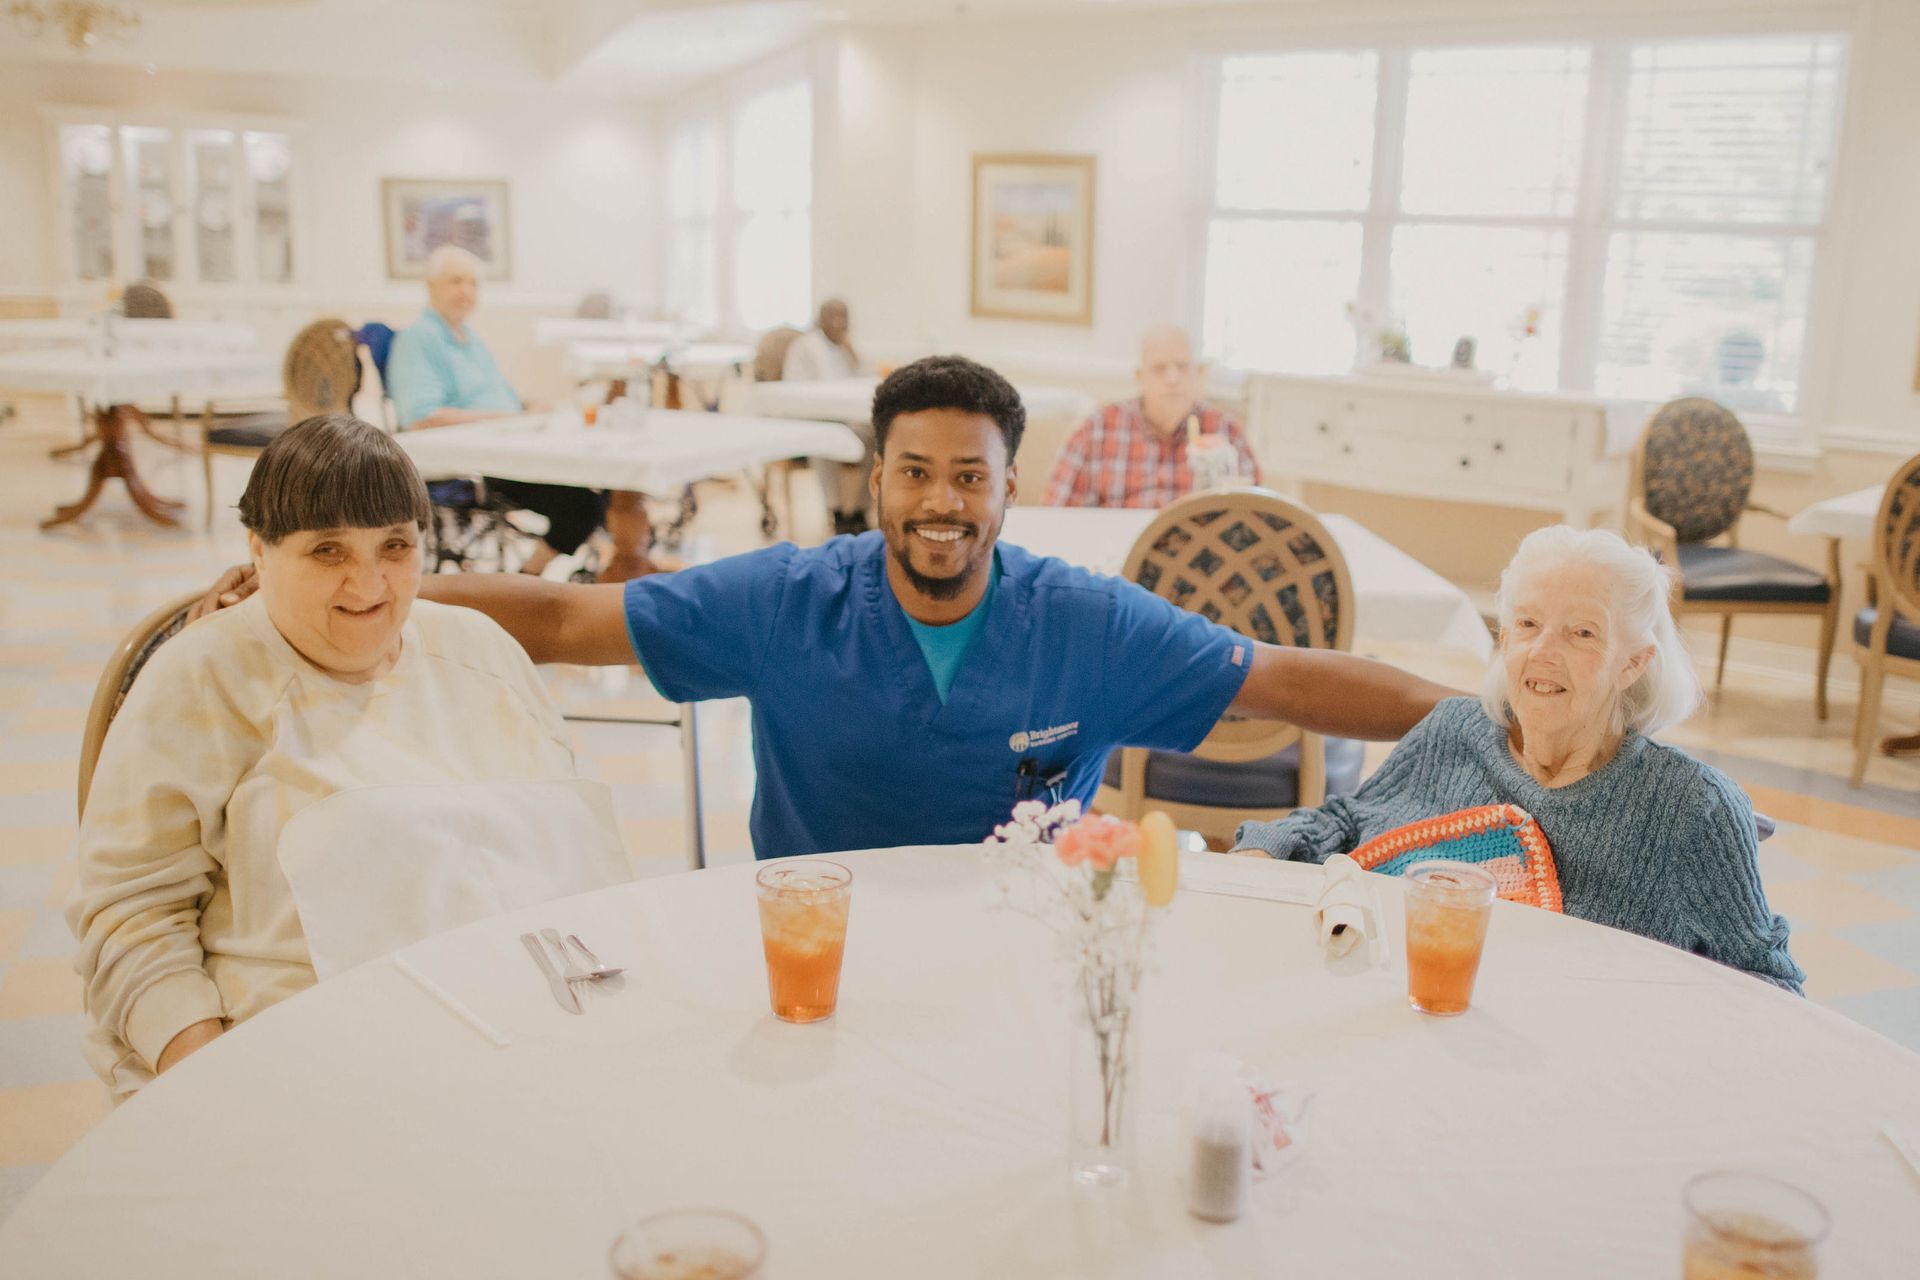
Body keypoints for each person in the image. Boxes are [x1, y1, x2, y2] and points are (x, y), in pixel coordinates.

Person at [196, 355, 1458, 861]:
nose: (942, 502)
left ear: (1014, 488)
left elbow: (1283, 678)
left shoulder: (1086, 622)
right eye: (916, 471)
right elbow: (571, 618)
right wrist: (378, 589)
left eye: (972, 475)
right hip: (813, 934)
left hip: (1016, 954)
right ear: (876, 481)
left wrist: (1483, 708)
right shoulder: (790, 599)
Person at [71, 416, 626, 1099]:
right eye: (327, 551)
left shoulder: (479, 651)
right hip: (308, 1066)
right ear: (258, 550)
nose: (368, 585)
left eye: (394, 546)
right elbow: (131, 916)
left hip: (533, 1039)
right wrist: (210, 1085)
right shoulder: (203, 678)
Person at [1233, 525, 1804, 993]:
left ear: (1633, 663)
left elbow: (1772, 992)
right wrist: (1265, 849)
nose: (1543, 652)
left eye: (1581, 633)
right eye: (1527, 624)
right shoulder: (1452, 734)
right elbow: (1346, 823)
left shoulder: (1691, 810)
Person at [386, 244, 651, 579]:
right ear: (431, 286)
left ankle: (621, 566)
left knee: (610, 479)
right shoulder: (418, 339)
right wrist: (506, 419)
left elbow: (500, 397)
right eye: (455, 281)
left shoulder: (471, 338)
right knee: (582, 505)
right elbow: (421, 418)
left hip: (514, 441)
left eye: (473, 283)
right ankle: (525, 579)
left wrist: (528, 406)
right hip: (477, 463)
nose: (466, 291)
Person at [1043, 324, 1261, 508]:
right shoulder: (1097, 431)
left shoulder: (1227, 434)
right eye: (1159, 368)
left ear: (1198, 374)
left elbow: (1255, 518)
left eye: (1182, 367)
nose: (1172, 378)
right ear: (1140, 377)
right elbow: (1057, 516)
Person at [784, 298, 873, 536]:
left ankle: (860, 510)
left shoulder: (852, 346)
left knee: (878, 436)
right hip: (815, 419)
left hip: (851, 418)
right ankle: (835, 511)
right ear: (820, 319)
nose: (838, 322)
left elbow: (867, 381)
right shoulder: (805, 347)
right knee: (824, 439)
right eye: (832, 316)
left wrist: (853, 355)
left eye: (843, 317)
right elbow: (794, 389)